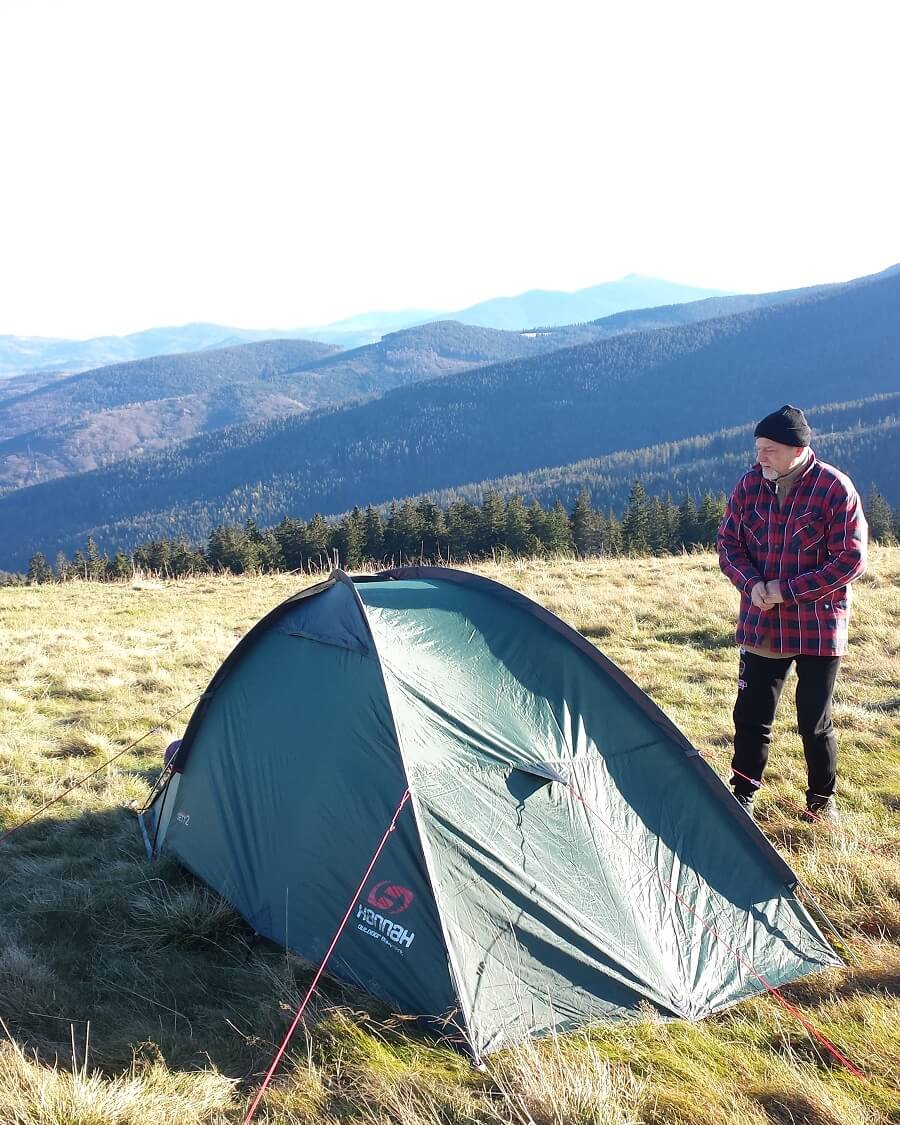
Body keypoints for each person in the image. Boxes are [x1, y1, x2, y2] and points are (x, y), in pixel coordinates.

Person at [717, 405, 868, 822]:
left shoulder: (835, 488)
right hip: (762, 622)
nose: (760, 457)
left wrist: (786, 591)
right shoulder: (749, 485)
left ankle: (821, 803)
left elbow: (850, 560)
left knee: (814, 721)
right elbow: (728, 545)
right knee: (751, 715)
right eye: (758, 448)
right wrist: (752, 584)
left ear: (798, 449)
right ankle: (742, 795)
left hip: (818, 625)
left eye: (769, 449)